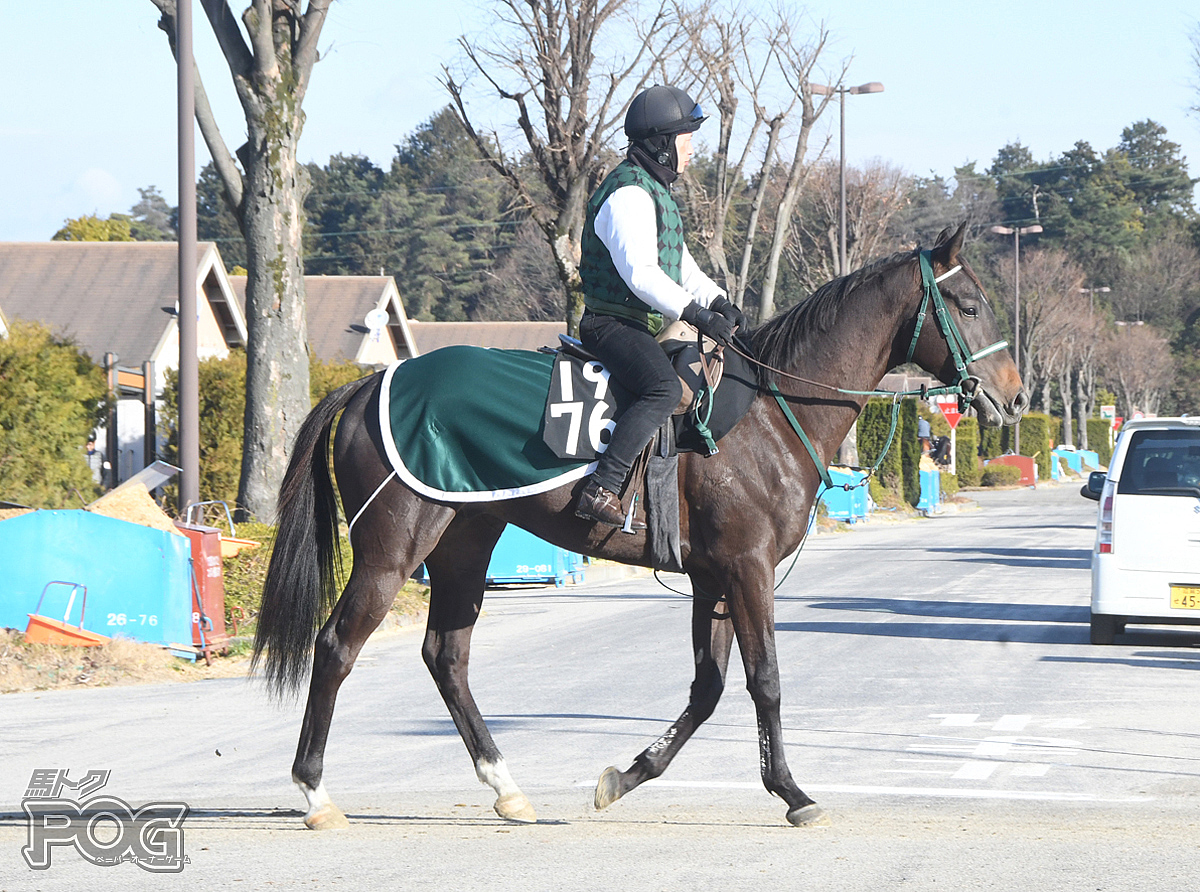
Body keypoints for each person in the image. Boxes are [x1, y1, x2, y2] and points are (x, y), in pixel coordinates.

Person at [574, 85, 751, 527]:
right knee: (664, 389)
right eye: (685, 139)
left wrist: (717, 301)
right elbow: (643, 274)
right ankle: (602, 488)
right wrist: (697, 315)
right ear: (661, 143)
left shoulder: (657, 193)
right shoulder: (628, 195)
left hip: (641, 323)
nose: (691, 149)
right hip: (610, 324)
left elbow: (680, 264)